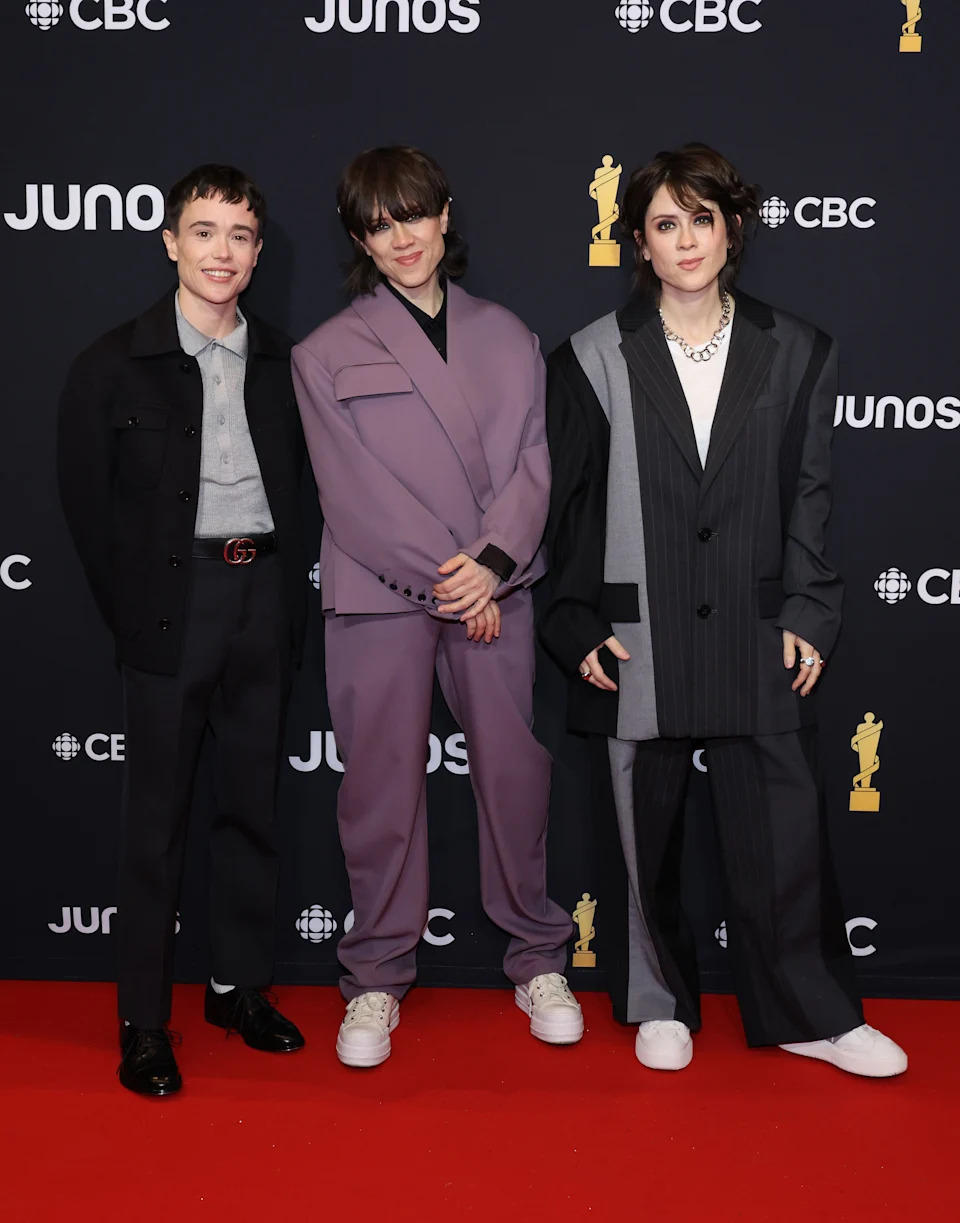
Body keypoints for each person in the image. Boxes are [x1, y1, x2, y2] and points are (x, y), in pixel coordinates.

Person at [540, 143, 907, 1078]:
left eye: (701, 218)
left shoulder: (799, 349)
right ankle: (658, 999)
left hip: (757, 624)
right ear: (639, 242)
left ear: (733, 228)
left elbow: (810, 498)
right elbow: (570, 511)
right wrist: (575, 623)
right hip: (639, 629)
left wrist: (811, 610)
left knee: (784, 827)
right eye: (665, 223)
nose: (686, 239)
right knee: (642, 827)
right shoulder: (589, 356)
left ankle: (812, 1010)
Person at [292, 146, 580, 1067]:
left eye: (412, 214)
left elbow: (535, 460)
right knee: (379, 786)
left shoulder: (510, 334)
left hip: (497, 588)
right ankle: (375, 975)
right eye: (378, 225)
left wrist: (491, 565)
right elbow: (352, 494)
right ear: (359, 241)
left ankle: (538, 957)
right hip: (381, 594)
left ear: (445, 216)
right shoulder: (322, 352)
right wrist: (455, 580)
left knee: (513, 775)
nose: (401, 237)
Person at [57, 165, 308, 1096]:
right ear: (170, 243)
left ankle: (238, 989)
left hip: (263, 597)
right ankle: (143, 1020)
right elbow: (88, 511)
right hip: (172, 609)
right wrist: (138, 617)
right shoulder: (110, 365)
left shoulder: (286, 364)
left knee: (251, 809)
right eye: (203, 231)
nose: (221, 252)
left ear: (257, 251)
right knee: (154, 825)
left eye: (240, 235)